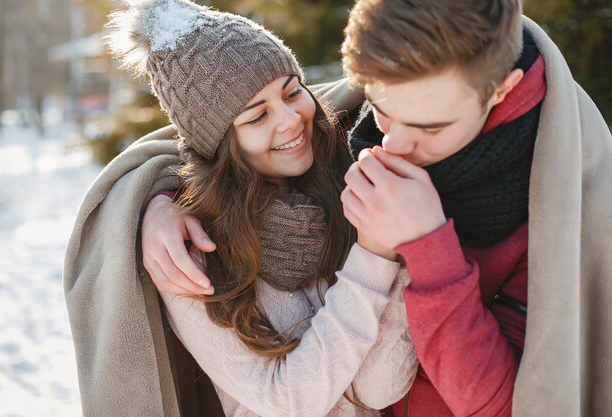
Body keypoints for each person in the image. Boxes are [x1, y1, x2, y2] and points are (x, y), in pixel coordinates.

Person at [139, 0, 612, 416]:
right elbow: (194, 140)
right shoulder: (338, 150)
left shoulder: (564, 199)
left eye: (429, 127)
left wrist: (420, 245)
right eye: (382, 110)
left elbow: (500, 402)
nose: (394, 145)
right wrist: (153, 201)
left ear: (501, 90)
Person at [64, 0, 417, 416]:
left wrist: (392, 253)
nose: (289, 120)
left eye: (291, 92)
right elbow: (290, 401)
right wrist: (373, 255)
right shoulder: (192, 254)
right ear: (220, 142)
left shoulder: (345, 180)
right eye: (256, 117)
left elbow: (380, 388)